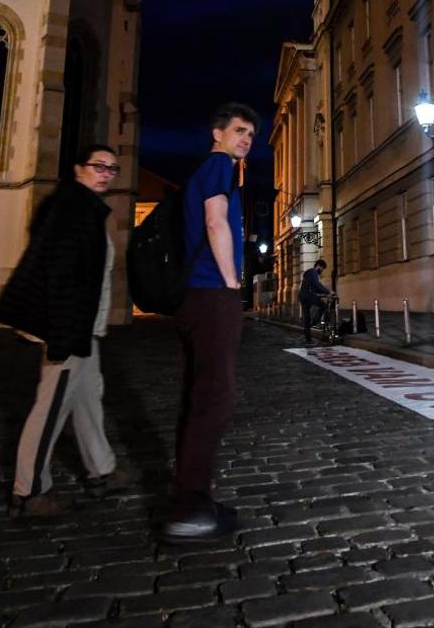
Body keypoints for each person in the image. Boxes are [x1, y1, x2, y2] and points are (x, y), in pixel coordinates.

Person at [0, 143, 132, 519]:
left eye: (112, 169)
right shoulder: (73, 210)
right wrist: (62, 334)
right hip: (69, 327)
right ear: (78, 169)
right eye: (98, 166)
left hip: (84, 327)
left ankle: (101, 470)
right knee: (51, 406)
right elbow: (58, 275)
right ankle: (28, 490)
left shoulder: (84, 208)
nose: (105, 173)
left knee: (89, 397)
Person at [161, 103, 257, 544]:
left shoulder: (205, 170)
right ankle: (188, 506)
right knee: (214, 399)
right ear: (216, 133)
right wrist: (233, 284)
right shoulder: (218, 165)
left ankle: (192, 495)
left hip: (193, 298)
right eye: (238, 130)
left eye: (251, 135)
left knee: (198, 397)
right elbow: (215, 222)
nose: (245, 140)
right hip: (212, 294)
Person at [299, 259, 331, 343]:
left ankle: (308, 339)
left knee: (307, 317)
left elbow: (314, 287)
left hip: (303, 296)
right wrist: (328, 292)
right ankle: (315, 321)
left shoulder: (309, 273)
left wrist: (323, 292)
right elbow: (317, 285)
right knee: (323, 305)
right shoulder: (313, 272)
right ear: (318, 266)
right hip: (308, 296)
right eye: (322, 268)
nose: (322, 271)